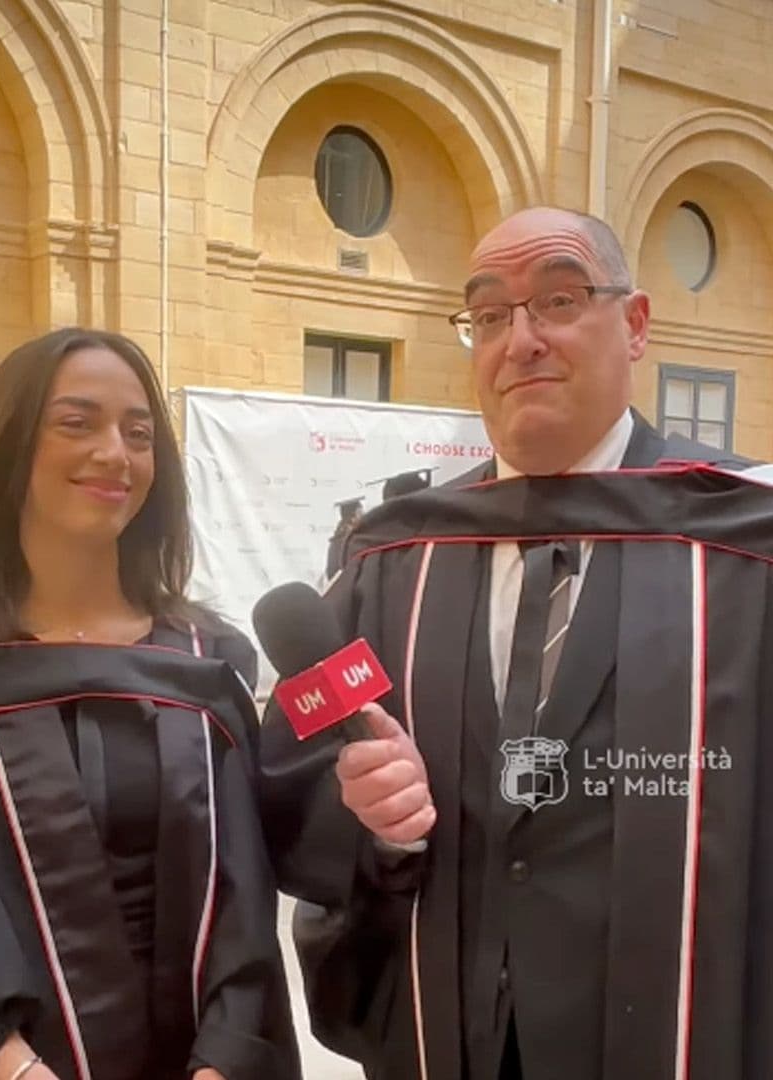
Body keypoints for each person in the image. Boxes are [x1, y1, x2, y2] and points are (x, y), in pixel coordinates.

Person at [260, 207, 773, 1080]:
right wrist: (372, 825)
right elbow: (295, 786)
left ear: (636, 323)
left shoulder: (740, 540)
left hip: (683, 1031)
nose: (520, 340)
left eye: (559, 300)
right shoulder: (398, 555)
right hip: (449, 1027)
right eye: (490, 316)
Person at [0, 328, 300, 1080]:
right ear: (13, 446)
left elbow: (244, 902)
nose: (115, 455)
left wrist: (224, 1061)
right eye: (77, 423)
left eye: (138, 433)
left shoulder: (204, 664)